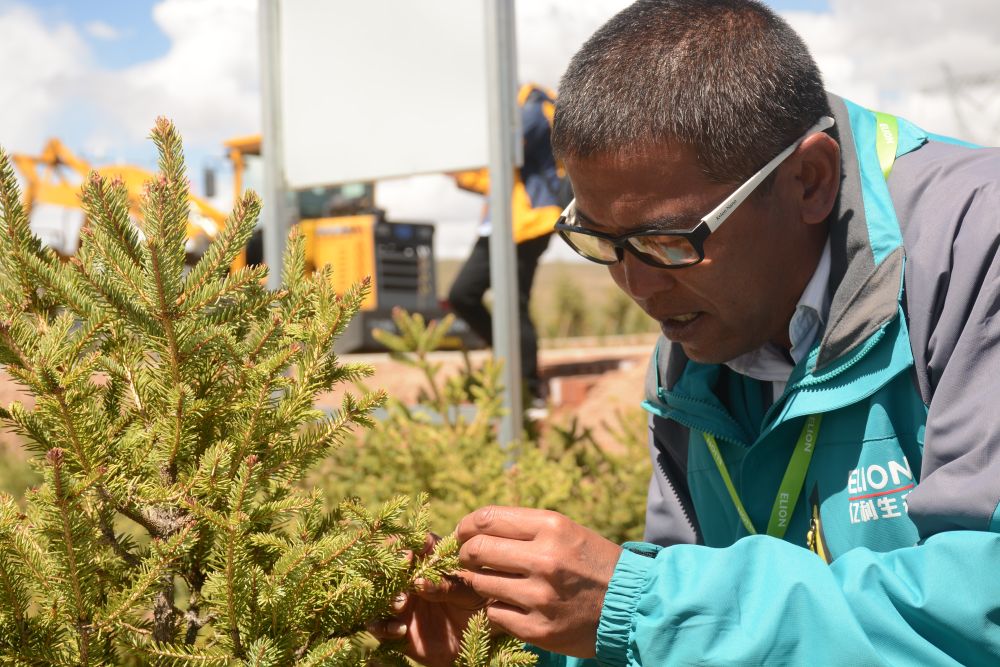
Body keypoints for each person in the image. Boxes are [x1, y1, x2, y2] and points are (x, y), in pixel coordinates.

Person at [371, 1, 1000, 664]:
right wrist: (528, 636)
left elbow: (982, 607)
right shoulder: (700, 335)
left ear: (810, 180)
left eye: (666, 241)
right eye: (600, 242)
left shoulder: (975, 250)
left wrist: (643, 605)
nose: (637, 287)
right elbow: (692, 627)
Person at [447, 83, 565, 408]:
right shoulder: (516, 114)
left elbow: (507, 147)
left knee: (514, 303)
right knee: (462, 294)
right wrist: (456, 172)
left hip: (528, 225)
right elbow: (493, 177)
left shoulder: (536, 108)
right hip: (497, 226)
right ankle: (505, 354)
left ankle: (529, 389)